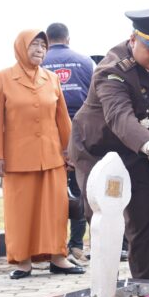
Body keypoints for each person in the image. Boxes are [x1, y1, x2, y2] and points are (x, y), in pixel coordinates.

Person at [69, 10, 149, 280]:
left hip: (135, 150)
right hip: (96, 151)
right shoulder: (112, 72)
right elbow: (120, 118)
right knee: (102, 220)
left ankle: (146, 288)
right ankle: (103, 290)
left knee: (143, 217)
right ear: (133, 39)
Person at [0, 30, 84, 279]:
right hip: (18, 159)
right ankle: (23, 261)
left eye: (43, 45)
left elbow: (63, 119)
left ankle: (58, 257)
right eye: (34, 44)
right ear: (21, 47)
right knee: (20, 212)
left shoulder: (51, 79)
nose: (40, 49)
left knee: (55, 210)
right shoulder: (3, 78)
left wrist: (69, 151)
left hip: (52, 157)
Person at [41, 22, 96, 264]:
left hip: (47, 133)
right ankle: (76, 245)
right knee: (80, 190)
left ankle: (54, 245)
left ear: (46, 40)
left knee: (51, 191)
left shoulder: (39, 63)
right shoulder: (85, 62)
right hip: (80, 132)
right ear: (68, 39)